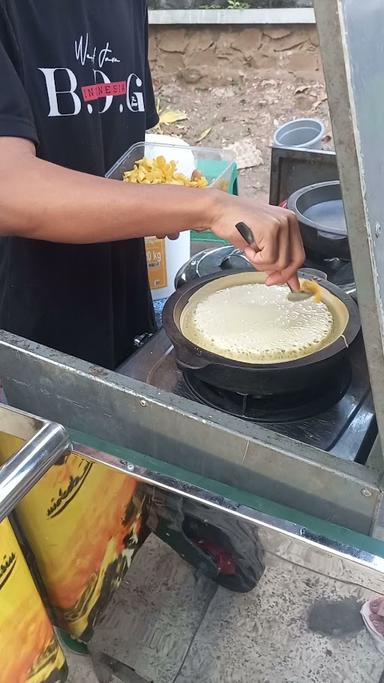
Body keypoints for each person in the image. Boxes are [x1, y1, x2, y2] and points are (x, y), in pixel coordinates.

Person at [0, 0, 304, 371]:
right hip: (23, 341)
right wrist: (209, 207)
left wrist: (173, 197)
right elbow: (8, 189)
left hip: (124, 312)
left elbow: (127, 151)